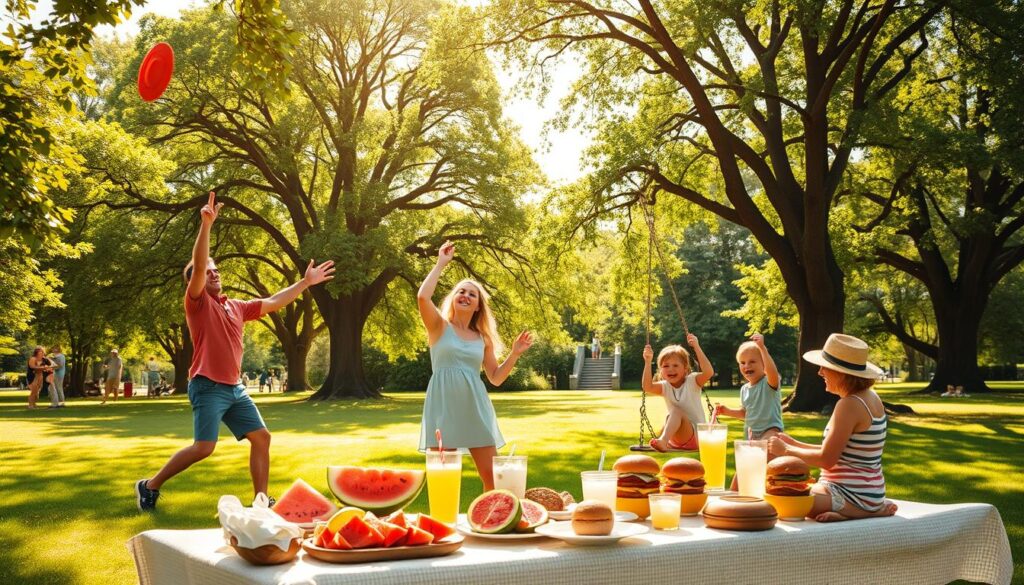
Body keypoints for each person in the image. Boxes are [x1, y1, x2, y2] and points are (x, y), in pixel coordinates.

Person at [134, 191, 335, 512]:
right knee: (204, 447)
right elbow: (198, 267)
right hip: (207, 385)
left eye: (216, 269)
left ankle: (260, 501)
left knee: (262, 438)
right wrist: (206, 226)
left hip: (235, 389)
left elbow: (272, 302)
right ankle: (149, 486)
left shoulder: (236, 306)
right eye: (207, 271)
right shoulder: (197, 303)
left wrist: (304, 283)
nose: (213, 272)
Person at [417, 240, 533, 491]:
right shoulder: (438, 327)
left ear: (478, 305)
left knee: (493, 479)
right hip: (443, 407)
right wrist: (440, 264)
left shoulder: (483, 338)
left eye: (472, 294)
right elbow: (423, 297)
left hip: (475, 408)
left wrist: (514, 354)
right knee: (443, 480)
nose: (466, 296)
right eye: (461, 291)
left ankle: (490, 525)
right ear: (453, 298)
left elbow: (495, 377)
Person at [767, 333, 898, 522]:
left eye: (825, 367)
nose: (820, 372)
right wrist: (794, 443)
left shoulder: (850, 405)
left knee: (782, 497)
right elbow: (838, 452)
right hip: (869, 492)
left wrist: (786, 450)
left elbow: (827, 459)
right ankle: (866, 509)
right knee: (780, 489)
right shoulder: (870, 397)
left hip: (850, 495)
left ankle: (855, 512)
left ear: (842, 372)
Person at [714, 333, 783, 489]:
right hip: (752, 436)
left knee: (758, 467)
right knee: (743, 473)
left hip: (770, 432)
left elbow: (772, 371)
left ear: (763, 364)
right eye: (742, 363)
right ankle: (734, 497)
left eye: (752, 362)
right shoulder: (745, 389)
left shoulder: (769, 382)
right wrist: (727, 411)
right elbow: (745, 414)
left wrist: (762, 349)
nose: (747, 366)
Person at [642, 334, 714, 452]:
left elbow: (708, 372)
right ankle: (664, 441)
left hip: (696, 438)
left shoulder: (693, 381)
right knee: (670, 415)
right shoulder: (665, 386)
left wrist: (696, 346)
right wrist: (648, 361)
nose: (671, 369)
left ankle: (663, 441)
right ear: (661, 371)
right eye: (666, 366)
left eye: (675, 365)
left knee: (675, 411)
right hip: (676, 439)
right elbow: (647, 387)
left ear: (685, 368)